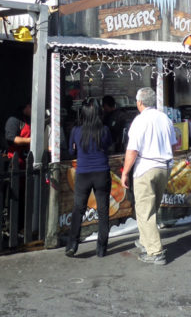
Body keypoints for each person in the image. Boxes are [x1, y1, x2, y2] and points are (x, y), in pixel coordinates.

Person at [120, 87, 176, 266]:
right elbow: (174, 145)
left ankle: (155, 251)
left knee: (145, 211)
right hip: (163, 167)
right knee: (151, 208)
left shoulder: (139, 120)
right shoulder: (165, 118)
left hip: (146, 168)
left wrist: (125, 172)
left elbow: (132, 150)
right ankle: (146, 241)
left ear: (139, 102)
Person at [65, 98, 113, 258]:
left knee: (78, 209)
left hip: (83, 173)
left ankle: (72, 245)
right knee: (103, 211)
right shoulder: (104, 130)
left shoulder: (76, 131)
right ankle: (101, 248)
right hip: (101, 172)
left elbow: (71, 152)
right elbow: (109, 147)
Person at [5, 101, 31, 166]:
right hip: (16, 162)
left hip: (28, 161)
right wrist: (30, 140)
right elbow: (11, 138)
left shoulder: (30, 120)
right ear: (27, 106)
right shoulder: (14, 119)